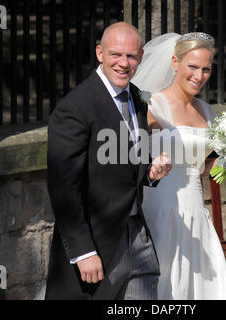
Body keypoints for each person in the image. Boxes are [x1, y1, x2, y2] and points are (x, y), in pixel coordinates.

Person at [45, 22, 171, 300]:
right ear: (100, 53)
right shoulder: (74, 108)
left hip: (138, 233)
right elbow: (64, 186)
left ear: (139, 58)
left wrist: (150, 172)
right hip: (97, 242)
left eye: (131, 56)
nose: (123, 63)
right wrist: (83, 251)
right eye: (116, 54)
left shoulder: (136, 97)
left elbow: (127, 161)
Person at [132, 32, 226, 300]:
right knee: (167, 281)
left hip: (196, 209)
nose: (199, 76)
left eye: (206, 69)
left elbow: (200, 166)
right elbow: (129, 155)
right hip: (162, 206)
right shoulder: (153, 105)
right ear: (175, 62)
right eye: (192, 67)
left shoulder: (206, 111)